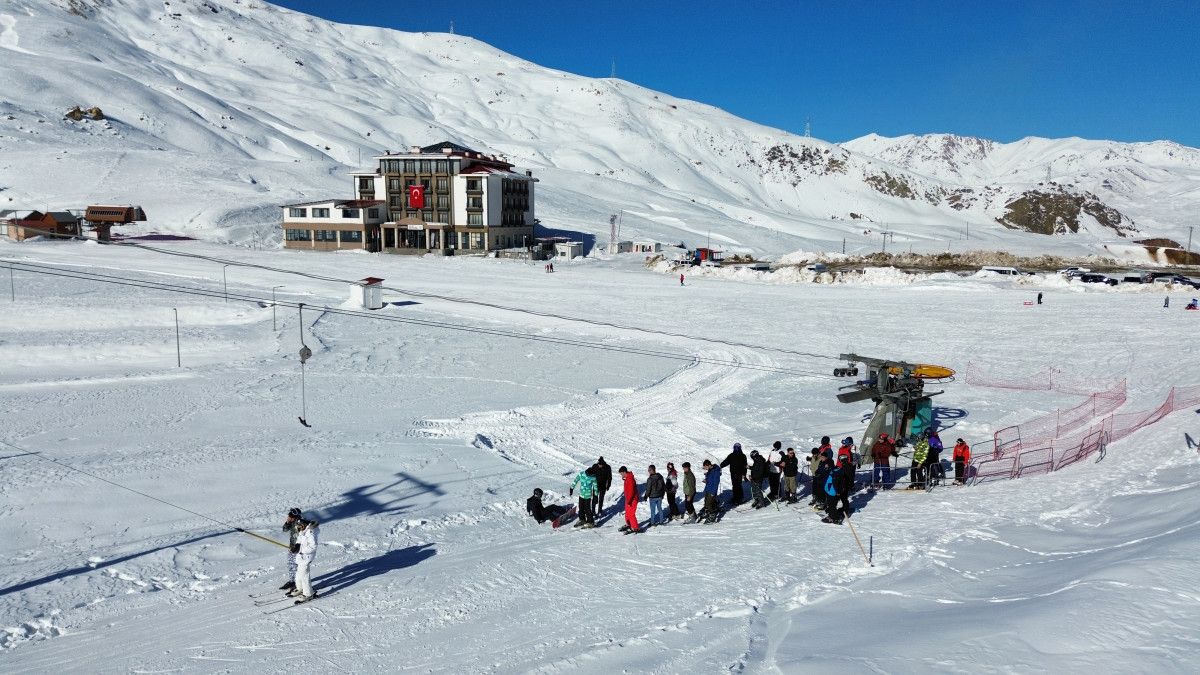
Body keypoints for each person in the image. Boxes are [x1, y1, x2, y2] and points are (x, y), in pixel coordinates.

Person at [291, 518, 320, 602]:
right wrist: (296, 546)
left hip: (307, 557)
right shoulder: (303, 531)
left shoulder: (311, 533)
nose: (298, 528)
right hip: (301, 556)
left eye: (299, 526)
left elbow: (313, 547)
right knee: (299, 573)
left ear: (303, 525)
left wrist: (300, 549)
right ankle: (300, 588)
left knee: (304, 575)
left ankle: (308, 594)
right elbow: (300, 539)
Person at [822, 458, 856, 524]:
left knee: (834, 503)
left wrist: (838, 491)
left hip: (836, 490)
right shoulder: (836, 470)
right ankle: (838, 512)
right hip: (836, 489)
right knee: (835, 503)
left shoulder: (837, 471)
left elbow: (839, 482)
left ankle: (835, 517)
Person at [280, 507, 304, 591]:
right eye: (289, 515)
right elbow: (284, 529)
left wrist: (298, 546)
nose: (289, 517)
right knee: (291, 565)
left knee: (296, 566)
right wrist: (288, 522)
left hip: (298, 548)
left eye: (291, 516)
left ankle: (298, 583)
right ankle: (292, 581)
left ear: (296, 516)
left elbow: (303, 536)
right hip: (292, 547)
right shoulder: (292, 522)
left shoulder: (301, 523)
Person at [618, 466, 641, 533]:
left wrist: (629, 501)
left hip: (632, 499)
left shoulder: (630, 479)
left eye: (621, 474)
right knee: (627, 513)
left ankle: (635, 527)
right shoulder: (627, 478)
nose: (621, 475)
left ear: (624, 472)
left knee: (631, 514)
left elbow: (631, 491)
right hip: (628, 499)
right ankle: (629, 524)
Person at [701, 459, 721, 523]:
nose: (705, 469)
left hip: (712, 490)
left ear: (708, 465)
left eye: (705, 467)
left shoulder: (716, 471)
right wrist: (706, 480)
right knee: (706, 502)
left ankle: (712, 515)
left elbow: (716, 483)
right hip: (708, 488)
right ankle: (708, 512)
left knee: (708, 503)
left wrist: (713, 492)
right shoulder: (710, 470)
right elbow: (710, 478)